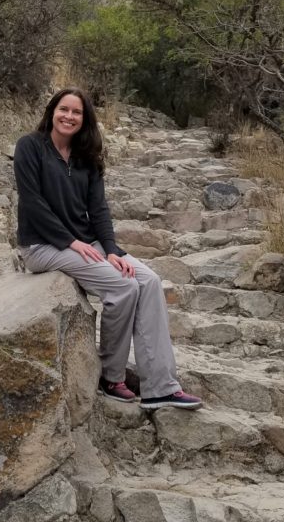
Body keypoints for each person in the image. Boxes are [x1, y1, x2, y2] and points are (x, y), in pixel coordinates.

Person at [13, 87, 202, 410]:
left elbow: (99, 210)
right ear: (51, 111)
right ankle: (111, 376)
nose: (69, 116)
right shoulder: (30, 147)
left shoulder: (87, 158)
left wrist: (112, 250)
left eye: (77, 112)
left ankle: (161, 387)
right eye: (64, 109)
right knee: (123, 288)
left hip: (86, 242)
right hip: (43, 245)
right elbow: (32, 204)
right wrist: (72, 242)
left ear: (85, 119)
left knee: (149, 281)